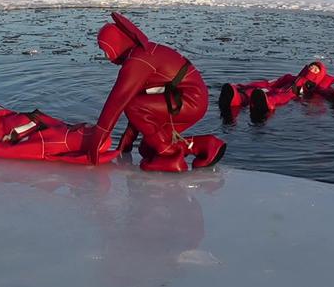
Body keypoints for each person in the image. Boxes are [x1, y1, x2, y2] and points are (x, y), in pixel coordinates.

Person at [82, 12, 226, 172]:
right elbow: (141, 99)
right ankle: (206, 145)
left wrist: (98, 137)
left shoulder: (138, 60)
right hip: (187, 99)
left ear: (115, 45)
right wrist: (129, 136)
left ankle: (170, 157)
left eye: (106, 50)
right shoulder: (143, 53)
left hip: (189, 100)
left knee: (136, 110)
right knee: (147, 148)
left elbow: (119, 100)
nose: (107, 57)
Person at [219, 61, 334, 120]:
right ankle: (237, 98)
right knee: (258, 89)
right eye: (311, 66)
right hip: (274, 89)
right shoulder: (290, 77)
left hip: (291, 93)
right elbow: (270, 83)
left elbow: (325, 92)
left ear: (319, 75)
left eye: (316, 69)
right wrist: (243, 86)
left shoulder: (312, 86)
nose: (312, 69)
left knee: (282, 96)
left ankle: (266, 103)